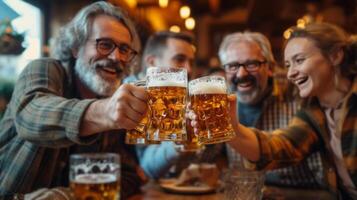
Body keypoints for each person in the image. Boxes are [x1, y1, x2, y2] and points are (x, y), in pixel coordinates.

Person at [189, 22, 357, 199]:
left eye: (299, 60)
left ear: (336, 56)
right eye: (288, 65)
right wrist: (230, 130)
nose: (291, 73)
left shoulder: (296, 96)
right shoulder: (314, 110)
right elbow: (282, 146)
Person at [0, 2, 148, 199]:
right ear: (76, 48)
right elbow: (31, 116)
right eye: (105, 44)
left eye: (124, 50)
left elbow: (130, 175)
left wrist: (69, 194)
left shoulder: (112, 103)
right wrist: (104, 112)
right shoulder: (45, 70)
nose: (116, 57)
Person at [218, 31, 326, 190]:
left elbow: (289, 148)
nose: (241, 74)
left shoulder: (298, 92)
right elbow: (206, 156)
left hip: (301, 193)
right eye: (233, 66)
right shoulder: (219, 102)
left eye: (251, 64)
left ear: (270, 67)